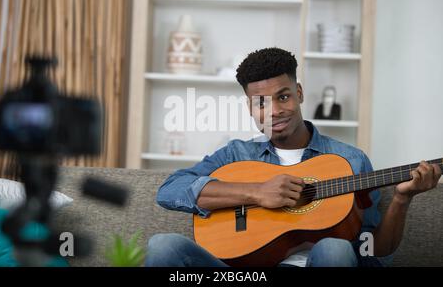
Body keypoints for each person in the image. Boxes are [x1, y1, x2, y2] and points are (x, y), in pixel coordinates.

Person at [145, 47, 441, 267]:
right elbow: (170, 190)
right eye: (261, 103)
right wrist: (257, 192)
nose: (274, 111)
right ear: (250, 108)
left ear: (299, 93)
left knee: (335, 250)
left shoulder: (350, 160)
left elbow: (373, 253)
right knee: (163, 246)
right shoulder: (237, 154)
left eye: (283, 97)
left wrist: (402, 199)